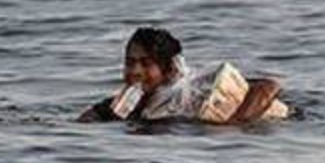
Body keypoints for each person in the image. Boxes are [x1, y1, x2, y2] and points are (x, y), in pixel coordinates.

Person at [78, 27, 288, 123]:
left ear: (168, 70)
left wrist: (235, 124)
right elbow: (91, 117)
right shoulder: (125, 105)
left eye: (146, 64)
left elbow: (268, 86)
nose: (135, 72)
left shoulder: (191, 91)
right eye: (130, 63)